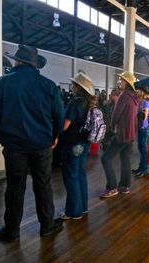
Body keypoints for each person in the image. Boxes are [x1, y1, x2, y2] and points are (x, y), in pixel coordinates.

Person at [0, 45, 64, 242]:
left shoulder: (3, 83)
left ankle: (12, 231)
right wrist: (54, 136)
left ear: (17, 61)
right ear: (34, 64)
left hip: (14, 147)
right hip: (42, 145)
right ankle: (47, 226)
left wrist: (3, 137)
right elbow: (59, 116)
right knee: (43, 185)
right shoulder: (48, 85)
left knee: (14, 188)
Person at [60, 72, 95, 220]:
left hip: (73, 144)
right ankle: (83, 207)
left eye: (74, 84)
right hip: (84, 143)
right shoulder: (90, 103)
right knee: (80, 175)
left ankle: (73, 211)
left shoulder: (75, 103)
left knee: (71, 176)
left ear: (78, 87)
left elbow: (64, 126)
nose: (72, 86)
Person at [99, 72, 139, 197]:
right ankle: (124, 186)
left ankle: (112, 187)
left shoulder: (124, 96)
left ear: (126, 82)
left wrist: (110, 129)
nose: (118, 81)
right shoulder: (134, 97)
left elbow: (116, 115)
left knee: (106, 158)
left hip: (122, 134)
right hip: (130, 134)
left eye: (121, 80)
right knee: (125, 158)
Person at [132, 84, 149, 178]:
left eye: (137, 90)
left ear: (142, 92)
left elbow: (144, 116)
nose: (135, 91)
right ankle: (141, 168)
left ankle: (143, 170)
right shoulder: (142, 102)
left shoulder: (145, 102)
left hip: (144, 127)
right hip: (142, 127)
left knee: (143, 149)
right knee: (141, 148)